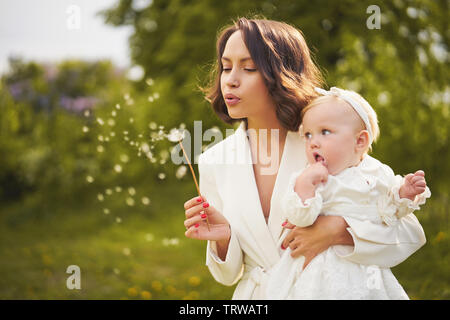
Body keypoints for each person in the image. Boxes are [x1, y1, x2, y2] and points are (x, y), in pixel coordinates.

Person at [183, 17, 427, 300]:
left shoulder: (323, 139)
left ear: (281, 72)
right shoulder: (215, 160)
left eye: (248, 67)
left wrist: (340, 230)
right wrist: (224, 238)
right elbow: (228, 275)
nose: (231, 80)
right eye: (226, 67)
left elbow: (408, 230)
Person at [264, 87, 430, 300]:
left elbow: (389, 214)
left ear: (360, 141)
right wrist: (305, 185)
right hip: (317, 272)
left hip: (363, 269)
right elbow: (299, 217)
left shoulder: (376, 173)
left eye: (324, 132)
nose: (313, 141)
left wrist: (404, 194)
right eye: (307, 134)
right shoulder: (308, 177)